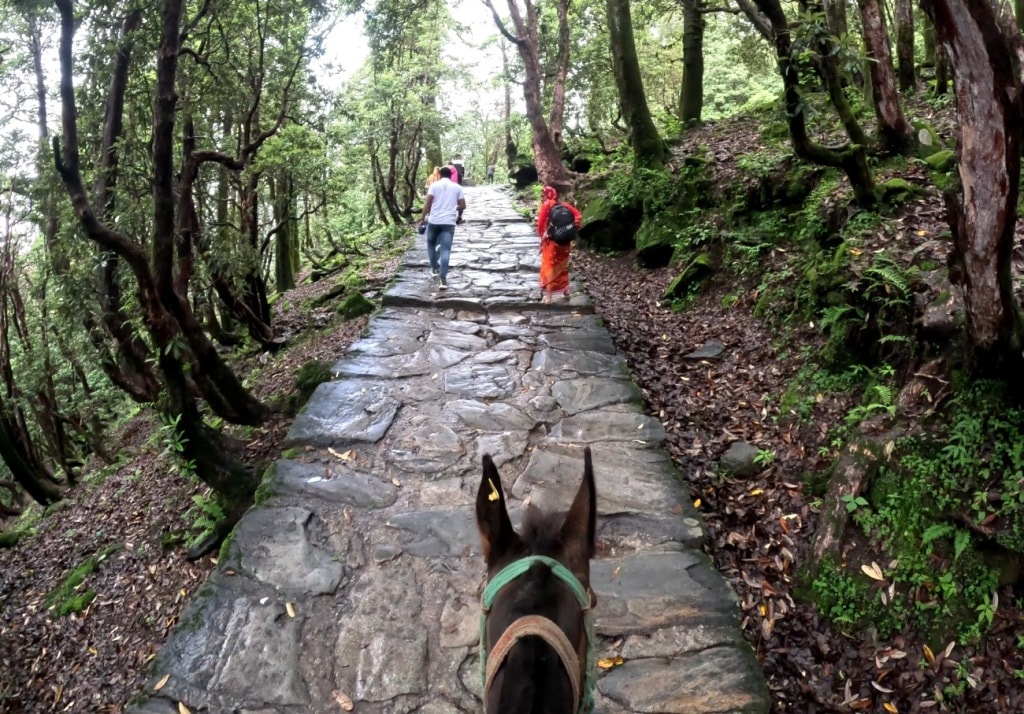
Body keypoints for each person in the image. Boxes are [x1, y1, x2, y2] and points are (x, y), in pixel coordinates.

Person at [418, 166, 465, 290]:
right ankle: (443, 280)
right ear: (451, 175)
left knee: (430, 244)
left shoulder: (434, 186)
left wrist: (422, 218)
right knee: (445, 250)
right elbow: (463, 205)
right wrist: (457, 214)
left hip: (434, 221)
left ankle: (434, 269)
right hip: (449, 222)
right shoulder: (457, 187)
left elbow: (428, 203)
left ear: (439, 175)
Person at [536, 185, 581, 303]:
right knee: (562, 265)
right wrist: (571, 228)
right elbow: (578, 215)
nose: (542, 197)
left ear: (546, 195)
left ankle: (549, 297)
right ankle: (565, 290)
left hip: (552, 241)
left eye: (543, 195)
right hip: (566, 240)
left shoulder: (547, 204)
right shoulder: (564, 205)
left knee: (550, 266)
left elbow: (541, 223)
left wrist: (543, 236)